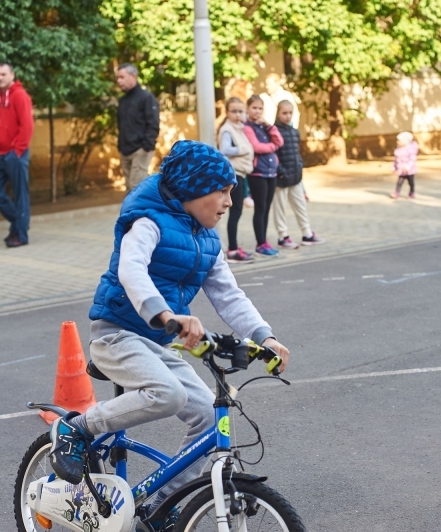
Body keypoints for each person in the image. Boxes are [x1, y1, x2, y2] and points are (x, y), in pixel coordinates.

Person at [47, 140, 291, 531]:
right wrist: (166, 316)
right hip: (117, 334)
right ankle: (76, 428)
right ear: (194, 189)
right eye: (223, 191)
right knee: (170, 394)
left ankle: (158, 508)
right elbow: (132, 272)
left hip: (160, 341)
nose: (231, 201)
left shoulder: (208, 239)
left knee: (208, 420)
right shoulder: (148, 222)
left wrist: (264, 337)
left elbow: (228, 295)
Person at [0, 62, 34, 248]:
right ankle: (19, 222)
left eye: (3, 74)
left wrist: (18, 150)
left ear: (12, 75)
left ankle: (20, 234)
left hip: (15, 153)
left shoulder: (20, 95)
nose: (0, 78)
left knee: (20, 194)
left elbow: (27, 125)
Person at [272, 100, 325, 248]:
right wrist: (281, 171)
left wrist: (300, 166)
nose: (288, 116)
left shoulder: (295, 131)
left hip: (296, 177)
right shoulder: (274, 131)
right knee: (280, 208)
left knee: (300, 205)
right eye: (284, 113)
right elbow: (273, 155)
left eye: (290, 113)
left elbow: (296, 153)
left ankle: (307, 234)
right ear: (278, 113)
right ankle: (283, 236)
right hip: (281, 178)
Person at [243, 95, 284, 257]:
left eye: (260, 108)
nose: (257, 111)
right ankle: (260, 244)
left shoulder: (264, 127)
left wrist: (269, 126)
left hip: (271, 172)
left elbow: (279, 141)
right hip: (257, 173)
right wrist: (272, 146)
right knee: (260, 208)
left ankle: (265, 241)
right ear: (248, 109)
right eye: (254, 108)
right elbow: (257, 147)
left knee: (266, 208)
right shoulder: (247, 127)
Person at [217, 97, 255, 263]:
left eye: (241, 111)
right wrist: (242, 149)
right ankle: (232, 249)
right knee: (235, 212)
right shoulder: (227, 129)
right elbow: (225, 149)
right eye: (234, 111)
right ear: (227, 112)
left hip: (242, 173)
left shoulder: (239, 128)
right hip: (235, 174)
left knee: (238, 212)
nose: (238, 114)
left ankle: (234, 245)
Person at [116, 63, 160, 191]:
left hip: (140, 150)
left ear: (133, 76)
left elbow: (153, 123)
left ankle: (142, 211)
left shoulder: (146, 98)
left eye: (122, 77)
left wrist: (147, 146)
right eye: (117, 78)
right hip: (125, 150)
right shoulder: (123, 100)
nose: (118, 81)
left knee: (136, 188)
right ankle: (142, 210)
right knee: (130, 189)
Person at [390, 131, 418, 199]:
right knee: (399, 182)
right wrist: (394, 167)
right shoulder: (398, 150)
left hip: (409, 171)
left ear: (405, 141)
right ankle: (397, 192)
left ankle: (412, 192)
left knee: (411, 183)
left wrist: (408, 167)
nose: (397, 142)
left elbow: (412, 160)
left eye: (399, 140)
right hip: (401, 170)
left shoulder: (410, 150)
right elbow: (396, 160)